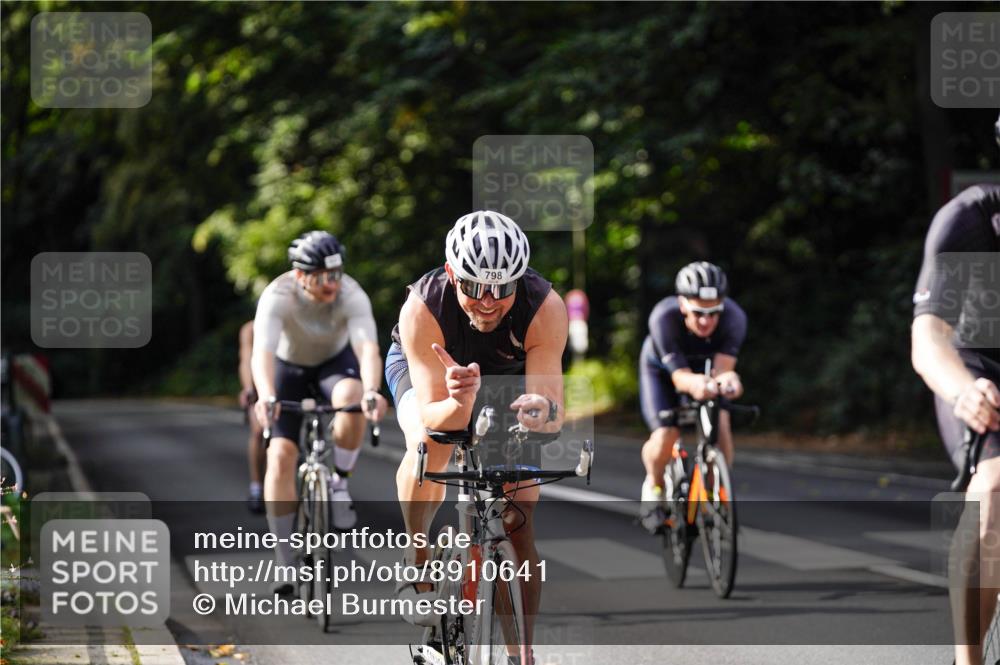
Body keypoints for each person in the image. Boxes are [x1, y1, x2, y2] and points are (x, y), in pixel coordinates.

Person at [385, 210, 567, 650]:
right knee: (431, 445)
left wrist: (539, 411)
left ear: (518, 281)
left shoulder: (544, 306)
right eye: (474, 287)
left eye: (502, 288)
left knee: (518, 518)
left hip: (506, 381)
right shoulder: (423, 306)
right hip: (432, 381)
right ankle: (417, 555)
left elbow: (551, 410)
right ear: (451, 273)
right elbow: (434, 415)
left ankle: (520, 653)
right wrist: (459, 402)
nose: (488, 301)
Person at [252, 230, 388, 594]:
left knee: (354, 395)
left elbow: (368, 349)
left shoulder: (351, 294)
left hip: (333, 363)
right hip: (288, 367)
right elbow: (261, 353)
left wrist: (373, 390)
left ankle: (339, 481)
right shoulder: (277, 296)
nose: (332, 284)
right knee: (280, 455)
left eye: (337, 274)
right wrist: (266, 395)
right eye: (323, 277)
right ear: (300, 276)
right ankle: (284, 560)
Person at [911, 176, 1000, 665]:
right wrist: (963, 391)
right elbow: (928, 340)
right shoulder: (970, 218)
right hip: (976, 369)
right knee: (993, 486)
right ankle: (968, 662)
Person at [637, 261, 747, 530]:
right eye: (698, 312)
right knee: (667, 433)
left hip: (704, 371)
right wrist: (699, 384)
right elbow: (680, 378)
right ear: (682, 304)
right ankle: (654, 486)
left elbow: (723, 370)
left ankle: (714, 496)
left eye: (713, 313)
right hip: (663, 372)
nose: (706, 321)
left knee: (721, 423)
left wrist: (730, 381)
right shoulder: (663, 317)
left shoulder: (735, 317)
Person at [238, 320, 266, 514]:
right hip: (259, 384)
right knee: (258, 432)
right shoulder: (250, 329)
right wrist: (249, 388)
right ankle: (256, 487)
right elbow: (246, 359)